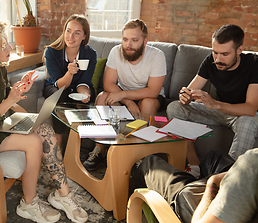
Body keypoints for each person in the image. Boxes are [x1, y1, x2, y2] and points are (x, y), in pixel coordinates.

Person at [0, 18, 88, 223]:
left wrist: (18, 89)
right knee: (33, 142)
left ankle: (63, 194)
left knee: (45, 130)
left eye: (8, 42)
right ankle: (29, 203)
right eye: (3, 45)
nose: (10, 47)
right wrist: (10, 100)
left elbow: (4, 94)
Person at [166, 24, 258, 176]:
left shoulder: (254, 64)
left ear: (239, 50)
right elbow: (189, 91)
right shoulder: (211, 61)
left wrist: (215, 104)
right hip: (219, 112)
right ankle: (195, 166)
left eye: (224, 54)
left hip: (245, 116)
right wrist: (185, 96)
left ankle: (228, 178)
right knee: (174, 108)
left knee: (248, 122)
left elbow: (250, 108)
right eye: (215, 52)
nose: (218, 59)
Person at [83, 19, 166, 170]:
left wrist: (124, 96)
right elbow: (108, 83)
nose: (128, 45)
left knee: (147, 102)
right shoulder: (116, 51)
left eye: (134, 40)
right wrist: (128, 101)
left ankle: (138, 156)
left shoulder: (157, 56)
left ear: (145, 41)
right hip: (122, 94)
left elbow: (153, 91)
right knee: (102, 97)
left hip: (148, 96)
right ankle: (99, 149)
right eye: (125, 39)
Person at [129, 149, 258, 223]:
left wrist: (211, 183)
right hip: (238, 200)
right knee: (214, 156)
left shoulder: (252, 162)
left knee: (149, 163)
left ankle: (126, 209)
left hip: (195, 206)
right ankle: (195, 176)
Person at [43, 14, 97, 149]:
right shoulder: (52, 52)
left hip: (77, 88)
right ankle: (59, 145)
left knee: (87, 96)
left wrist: (84, 93)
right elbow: (59, 84)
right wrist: (70, 73)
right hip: (56, 87)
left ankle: (76, 144)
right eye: (68, 31)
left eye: (77, 33)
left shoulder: (90, 54)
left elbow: (85, 81)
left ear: (84, 36)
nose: (70, 37)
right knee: (61, 95)